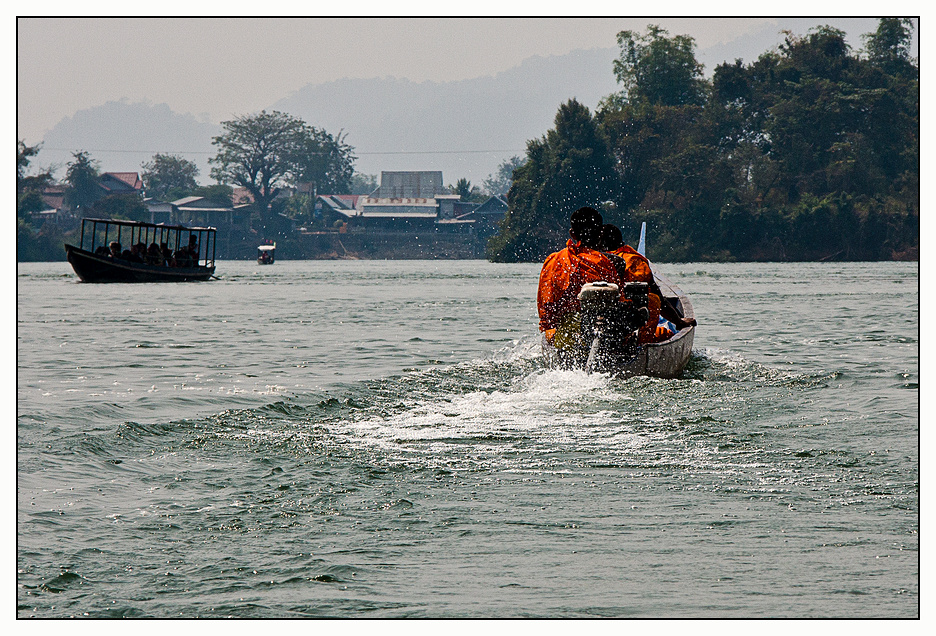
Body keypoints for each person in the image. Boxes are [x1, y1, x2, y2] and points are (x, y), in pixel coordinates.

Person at [537, 207, 624, 349]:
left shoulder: (555, 260)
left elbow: (546, 304)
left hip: (564, 337)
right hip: (603, 336)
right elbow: (620, 300)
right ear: (601, 233)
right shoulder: (607, 263)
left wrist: (549, 330)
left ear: (572, 234)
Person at [600, 223, 696, 342]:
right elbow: (660, 300)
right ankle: (642, 342)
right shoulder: (633, 261)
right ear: (621, 242)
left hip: (608, 323)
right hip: (624, 323)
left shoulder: (591, 260)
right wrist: (679, 322)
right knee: (653, 299)